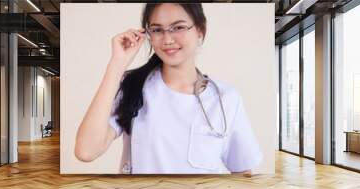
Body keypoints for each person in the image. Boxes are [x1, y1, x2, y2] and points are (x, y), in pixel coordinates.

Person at [74, 3, 263, 175]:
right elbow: (86, 151)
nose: (167, 39)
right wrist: (117, 64)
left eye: (178, 27)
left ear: (200, 31)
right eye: (157, 30)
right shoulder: (134, 86)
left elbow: (243, 171)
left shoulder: (226, 98)